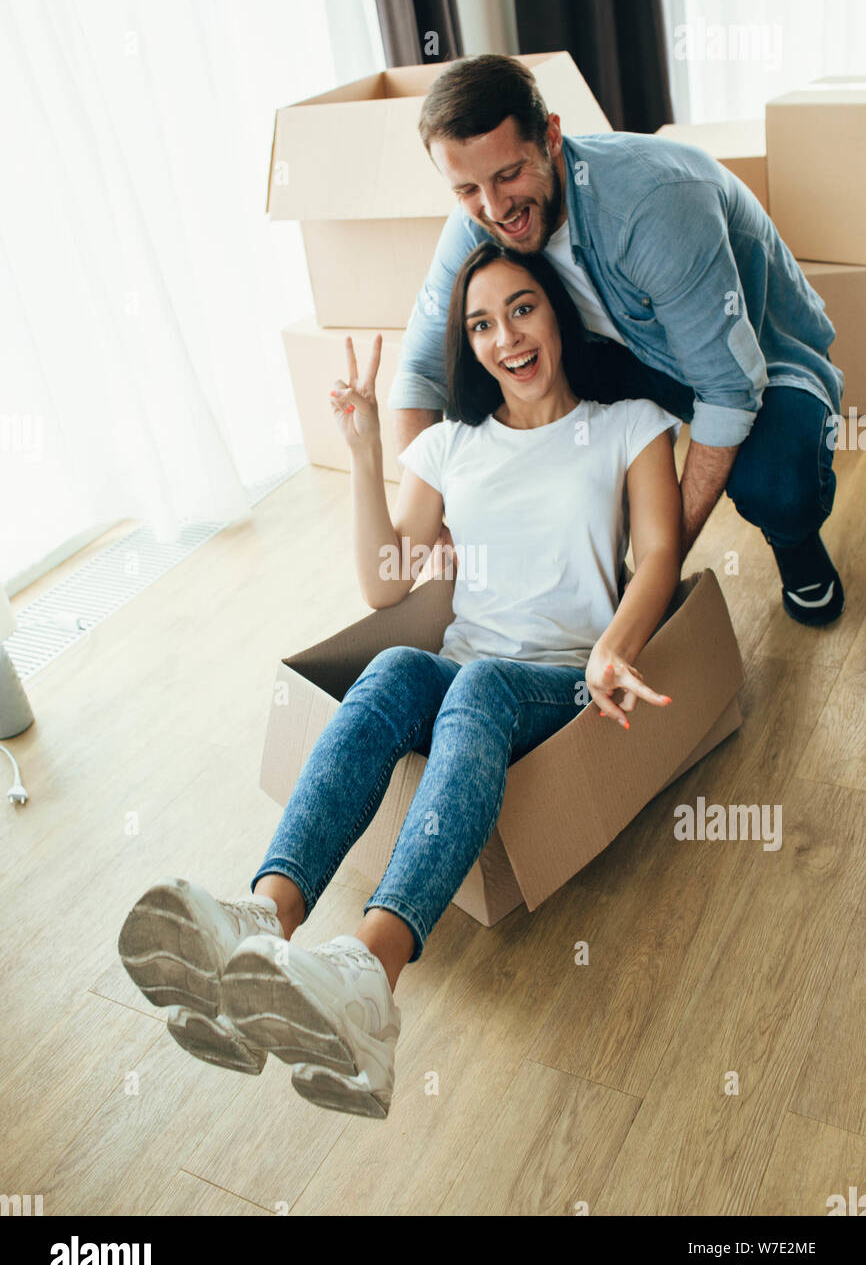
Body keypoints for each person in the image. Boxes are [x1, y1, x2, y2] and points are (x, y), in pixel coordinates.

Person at [118, 242, 684, 1121]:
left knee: (480, 687)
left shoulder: (627, 426)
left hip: (561, 683)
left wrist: (615, 645)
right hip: (465, 673)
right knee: (392, 666)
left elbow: (657, 556)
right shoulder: (453, 446)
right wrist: (362, 447)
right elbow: (387, 585)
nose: (506, 338)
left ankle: (370, 972)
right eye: (481, 325)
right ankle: (263, 919)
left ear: (559, 314)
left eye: (523, 308)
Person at [389, 54, 844, 628]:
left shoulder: (654, 205)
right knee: (475, 374)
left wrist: (652, 573)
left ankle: (795, 540)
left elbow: (729, 390)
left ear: (551, 136)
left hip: (756, 356)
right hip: (626, 352)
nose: (495, 209)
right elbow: (421, 374)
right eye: (467, 189)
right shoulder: (478, 218)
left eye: (508, 175)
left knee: (777, 482)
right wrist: (445, 530)